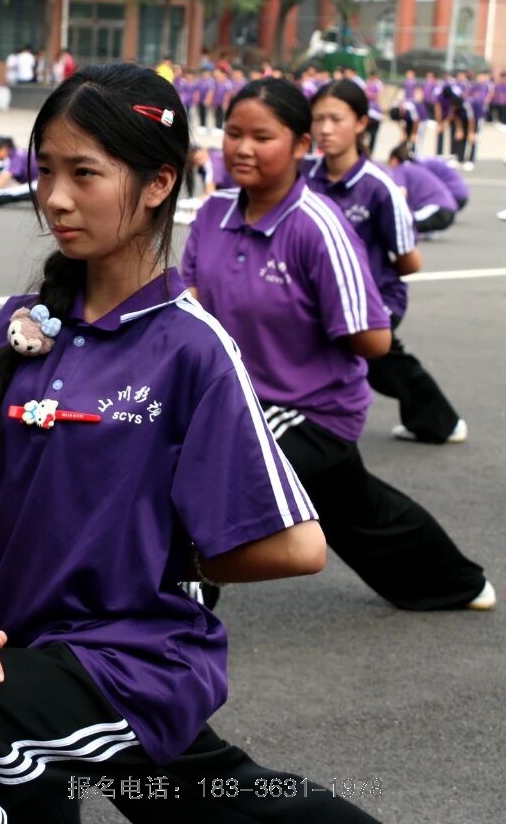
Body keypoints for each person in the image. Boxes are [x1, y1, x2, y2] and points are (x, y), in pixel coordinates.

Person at [0, 64, 381, 824]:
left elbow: (299, 546)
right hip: (25, 639)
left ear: (155, 184)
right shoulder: (17, 324)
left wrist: (153, 548)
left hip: (132, 660)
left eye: (84, 172)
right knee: (210, 795)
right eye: (45, 170)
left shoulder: (192, 348)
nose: (54, 197)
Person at [184, 77, 491, 613]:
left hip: (311, 409)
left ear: (301, 146)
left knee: (213, 483)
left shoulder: (317, 225)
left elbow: (373, 339)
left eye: (263, 136)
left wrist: (314, 313)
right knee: (354, 507)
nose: (243, 148)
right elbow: (192, 300)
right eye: (234, 133)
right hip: (248, 403)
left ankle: (176, 604)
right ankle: (455, 583)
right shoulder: (214, 214)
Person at [306, 80, 466, 444]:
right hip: (321, 298)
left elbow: (410, 261)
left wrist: (367, 283)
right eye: (318, 119)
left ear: (362, 123)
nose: (325, 129)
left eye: (336, 118)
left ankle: (442, 422)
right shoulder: (304, 176)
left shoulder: (380, 187)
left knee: (385, 363)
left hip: (375, 300)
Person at [386, 145, 457, 235]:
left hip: (437, 208)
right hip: (446, 208)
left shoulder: (401, 169)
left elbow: (401, 192)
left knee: (403, 224)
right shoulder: (414, 167)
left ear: (394, 160)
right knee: (411, 222)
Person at [0, 137, 38, 207]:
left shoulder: (14, 157)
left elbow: (4, 177)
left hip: (38, 184)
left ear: (5, 149)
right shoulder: (18, 152)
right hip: (38, 182)